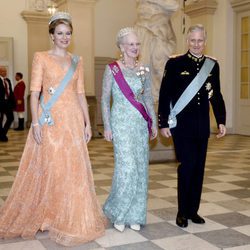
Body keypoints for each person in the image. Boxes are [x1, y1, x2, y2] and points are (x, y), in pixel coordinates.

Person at [0, 12, 106, 246]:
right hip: (50, 120)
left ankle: (66, 215)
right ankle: (47, 215)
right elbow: (34, 92)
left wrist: (88, 123)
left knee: (72, 168)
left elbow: (80, 94)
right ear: (51, 36)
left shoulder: (77, 61)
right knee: (51, 166)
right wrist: (35, 122)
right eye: (59, 33)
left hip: (73, 120)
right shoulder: (41, 58)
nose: (64, 37)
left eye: (68, 33)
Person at [158, 24, 226, 228]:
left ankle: (193, 211)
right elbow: (165, 94)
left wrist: (221, 120)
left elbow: (216, 95)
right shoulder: (175, 63)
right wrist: (163, 122)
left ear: (205, 42)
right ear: (187, 41)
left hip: (202, 126)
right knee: (186, 167)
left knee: (198, 169)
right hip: (181, 126)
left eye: (200, 40)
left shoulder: (212, 65)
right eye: (193, 40)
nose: (196, 44)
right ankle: (182, 211)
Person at [101, 27, 157, 232]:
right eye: (130, 44)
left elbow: (148, 98)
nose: (134, 47)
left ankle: (135, 214)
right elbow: (105, 99)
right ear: (121, 47)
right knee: (127, 169)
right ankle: (119, 212)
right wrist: (107, 126)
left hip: (140, 125)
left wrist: (153, 123)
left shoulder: (144, 69)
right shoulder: (112, 69)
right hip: (121, 124)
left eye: (137, 44)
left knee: (140, 169)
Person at [0, 66, 15, 142]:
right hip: (0, 103)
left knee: (11, 118)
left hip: (8, 103)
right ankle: (2, 136)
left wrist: (12, 102)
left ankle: (2, 134)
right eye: (3, 71)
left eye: (5, 71)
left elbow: (11, 92)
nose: (4, 73)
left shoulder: (8, 80)